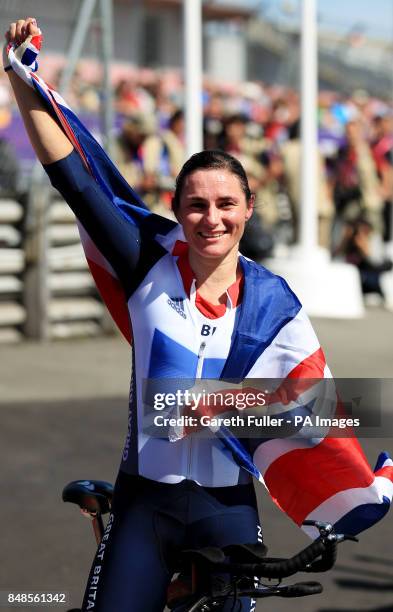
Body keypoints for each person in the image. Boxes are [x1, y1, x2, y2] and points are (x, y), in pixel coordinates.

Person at [5, 17, 393, 612]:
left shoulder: (273, 302)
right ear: (178, 210)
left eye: (225, 204)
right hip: (145, 508)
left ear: (248, 208)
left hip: (225, 511)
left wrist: (223, 407)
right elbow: (77, 184)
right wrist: (21, 79)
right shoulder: (144, 265)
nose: (212, 218)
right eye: (197, 205)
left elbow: (321, 407)